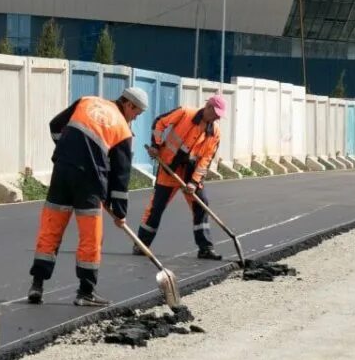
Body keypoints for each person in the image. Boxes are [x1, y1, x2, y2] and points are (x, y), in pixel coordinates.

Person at [27, 87, 147, 307]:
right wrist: (119, 212)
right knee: (91, 237)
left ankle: (37, 285)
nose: (135, 118)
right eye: (136, 113)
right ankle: (85, 292)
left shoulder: (87, 101)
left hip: (62, 171)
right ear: (129, 105)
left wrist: (68, 150)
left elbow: (55, 126)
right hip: (89, 182)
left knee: (50, 230)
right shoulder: (122, 129)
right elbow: (120, 176)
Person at [137, 95, 226, 260]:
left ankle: (205, 248)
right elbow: (159, 123)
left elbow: (206, 160)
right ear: (208, 107)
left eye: (219, 115)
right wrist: (156, 145)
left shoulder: (215, 132)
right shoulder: (185, 113)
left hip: (190, 174)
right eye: (216, 113)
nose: (217, 118)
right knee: (157, 207)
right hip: (169, 169)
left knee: (202, 205)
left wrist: (194, 182)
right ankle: (141, 244)